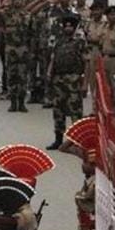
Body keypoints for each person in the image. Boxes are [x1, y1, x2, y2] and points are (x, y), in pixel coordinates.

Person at [59, 117, 98, 230]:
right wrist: (79, 137)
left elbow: (83, 201)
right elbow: (63, 148)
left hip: (92, 225)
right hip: (86, 224)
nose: (82, 164)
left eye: (87, 163)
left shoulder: (96, 184)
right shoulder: (86, 154)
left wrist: (78, 196)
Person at [46, 16, 85, 150]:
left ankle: (77, 141)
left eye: (70, 26)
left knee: (75, 110)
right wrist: (49, 73)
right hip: (59, 79)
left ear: (74, 28)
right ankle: (58, 139)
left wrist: (84, 81)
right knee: (58, 110)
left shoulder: (79, 42)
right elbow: (53, 58)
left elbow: (86, 61)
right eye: (66, 26)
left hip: (73, 79)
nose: (68, 28)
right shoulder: (59, 42)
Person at [0, 0, 30, 113]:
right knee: (11, 76)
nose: (18, 1)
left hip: (23, 48)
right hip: (10, 48)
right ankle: (13, 103)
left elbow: (31, 32)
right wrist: (5, 3)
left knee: (23, 77)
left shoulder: (27, 14)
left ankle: (21, 103)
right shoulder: (7, 13)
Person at [83, 3, 104, 101]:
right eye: (94, 10)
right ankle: (95, 107)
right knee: (93, 82)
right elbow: (85, 37)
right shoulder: (89, 24)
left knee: (103, 82)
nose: (95, 12)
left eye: (98, 10)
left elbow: (103, 39)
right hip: (91, 52)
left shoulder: (106, 23)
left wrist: (94, 40)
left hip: (102, 52)